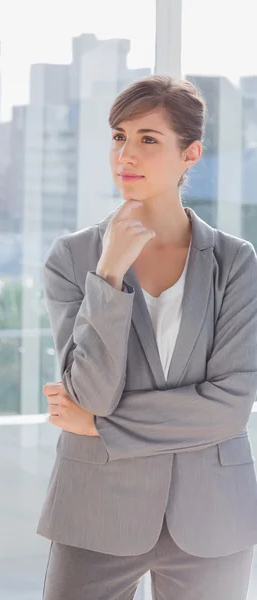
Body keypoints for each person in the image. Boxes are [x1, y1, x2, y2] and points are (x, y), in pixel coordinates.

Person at [36, 75, 257, 600]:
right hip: (95, 509)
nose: (125, 154)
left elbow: (229, 406)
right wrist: (109, 275)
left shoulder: (236, 263)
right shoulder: (73, 259)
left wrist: (102, 427)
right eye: (118, 136)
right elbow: (89, 395)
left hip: (213, 516)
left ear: (191, 153)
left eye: (148, 139)